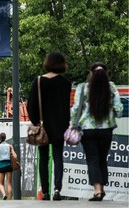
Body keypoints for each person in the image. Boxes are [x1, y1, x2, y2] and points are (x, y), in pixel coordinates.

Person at [70, 62, 123, 201]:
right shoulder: (111, 87)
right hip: (106, 129)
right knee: (102, 159)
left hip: (87, 130)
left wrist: (72, 124)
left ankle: (98, 191)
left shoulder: (83, 88)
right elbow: (119, 110)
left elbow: (75, 109)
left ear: (91, 73)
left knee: (92, 159)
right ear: (106, 74)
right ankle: (102, 189)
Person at [27, 52, 71, 200]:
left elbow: (31, 105)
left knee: (43, 158)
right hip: (59, 126)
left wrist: (36, 122)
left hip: (42, 126)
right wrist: (66, 124)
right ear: (62, 64)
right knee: (58, 157)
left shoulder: (38, 81)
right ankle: (58, 190)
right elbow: (66, 107)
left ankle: (45, 192)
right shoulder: (65, 83)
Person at [0, 132, 17, 200]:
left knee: (0, 183)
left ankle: (4, 195)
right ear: (5, 138)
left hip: (1, 166)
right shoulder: (9, 146)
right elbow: (15, 156)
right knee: (9, 183)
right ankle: (9, 199)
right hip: (9, 165)